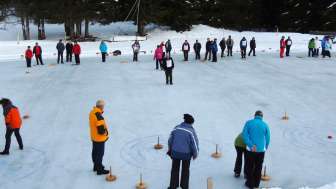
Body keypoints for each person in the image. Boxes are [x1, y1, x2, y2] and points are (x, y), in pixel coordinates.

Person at [167, 114, 199, 189]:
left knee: (174, 169)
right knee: (185, 170)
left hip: (175, 153)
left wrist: (170, 150)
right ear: (191, 123)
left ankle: (173, 186)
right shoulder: (191, 131)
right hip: (186, 155)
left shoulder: (176, 128)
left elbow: (170, 140)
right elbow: (194, 144)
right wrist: (195, 154)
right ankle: (184, 186)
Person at [242, 111, 270, 189]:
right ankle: (256, 184)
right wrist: (266, 146)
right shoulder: (265, 125)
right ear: (262, 117)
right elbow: (268, 138)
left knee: (249, 166)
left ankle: (250, 184)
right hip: (261, 150)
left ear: (255, 115)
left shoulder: (249, 123)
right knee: (258, 167)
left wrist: (251, 145)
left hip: (251, 150)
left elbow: (244, 135)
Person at [89, 100, 110, 175]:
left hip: (94, 137)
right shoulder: (98, 115)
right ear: (101, 106)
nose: (103, 107)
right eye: (103, 106)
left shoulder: (92, 112)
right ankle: (99, 169)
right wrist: (105, 133)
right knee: (99, 154)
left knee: (95, 152)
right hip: (99, 138)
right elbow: (101, 130)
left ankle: (96, 166)